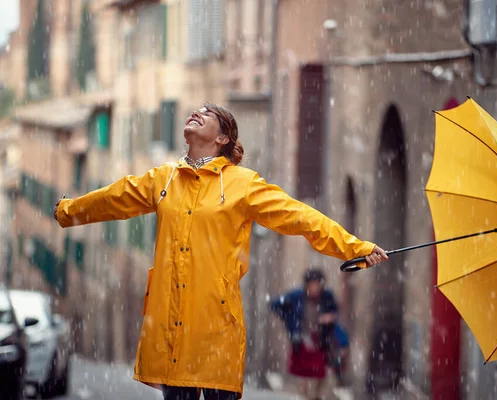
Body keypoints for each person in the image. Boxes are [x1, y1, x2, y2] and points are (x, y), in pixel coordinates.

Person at [53, 103, 388, 400]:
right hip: (171, 327)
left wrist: (355, 247)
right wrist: (68, 210)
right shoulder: (164, 179)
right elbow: (116, 197)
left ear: (223, 138)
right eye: (197, 110)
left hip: (217, 327)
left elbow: (300, 217)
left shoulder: (242, 184)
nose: (197, 112)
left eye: (209, 113)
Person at [270, 268, 350, 400]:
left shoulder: (327, 297)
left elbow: (335, 315)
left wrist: (329, 318)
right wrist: (290, 320)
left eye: (317, 284)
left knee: (320, 376)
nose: (315, 288)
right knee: (303, 378)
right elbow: (275, 304)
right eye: (312, 284)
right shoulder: (296, 297)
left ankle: (316, 396)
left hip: (320, 341)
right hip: (302, 341)